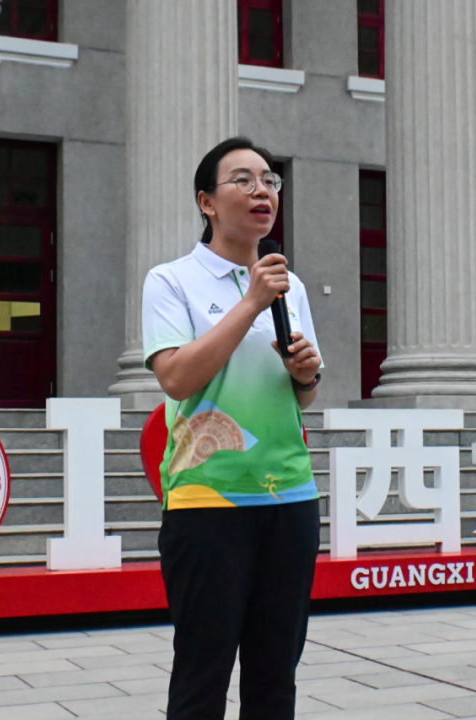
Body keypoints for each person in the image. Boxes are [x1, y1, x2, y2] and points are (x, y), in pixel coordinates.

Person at [142, 136, 323, 720]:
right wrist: (249, 302)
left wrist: (305, 374)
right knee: (202, 675)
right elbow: (176, 378)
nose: (261, 190)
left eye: (270, 180)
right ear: (207, 202)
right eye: (243, 179)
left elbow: (303, 396)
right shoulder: (171, 281)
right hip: (208, 500)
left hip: (289, 497)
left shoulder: (289, 285)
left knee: (275, 678)